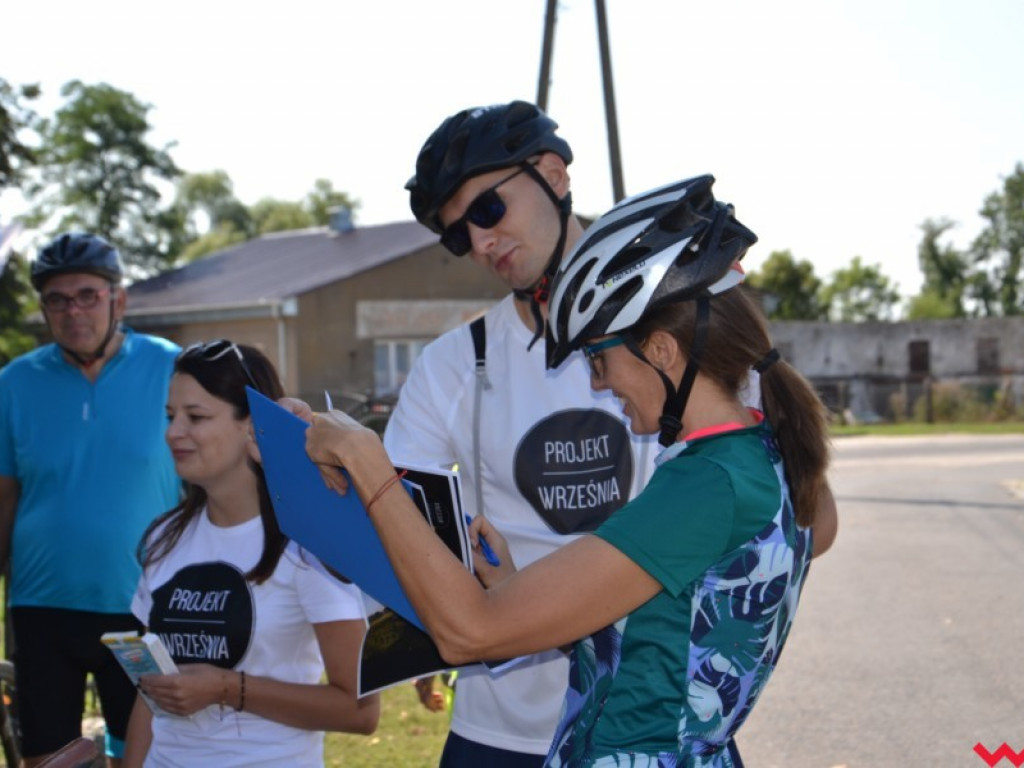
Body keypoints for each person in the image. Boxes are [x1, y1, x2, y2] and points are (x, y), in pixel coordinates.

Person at [305, 175, 836, 766]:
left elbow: (469, 632)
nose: (596, 382)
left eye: (598, 357)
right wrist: (512, 586)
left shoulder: (706, 486)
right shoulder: (754, 453)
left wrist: (367, 463)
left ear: (660, 350)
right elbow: (656, 634)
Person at [387, 100, 659, 765]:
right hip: (501, 731)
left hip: (650, 720)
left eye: (488, 210)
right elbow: (394, 518)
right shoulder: (454, 362)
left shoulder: (676, 327)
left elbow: (781, 507)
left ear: (553, 175)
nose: (480, 243)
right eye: (459, 235)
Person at [122, 340, 379, 768]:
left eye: (196, 417)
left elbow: (361, 710)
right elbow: (150, 694)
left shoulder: (306, 545)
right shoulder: (166, 538)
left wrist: (227, 688)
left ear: (252, 425)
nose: (173, 432)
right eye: (171, 416)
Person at [0, 233, 181, 767]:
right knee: (48, 757)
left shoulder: (173, 368)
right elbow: (5, 495)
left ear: (117, 300)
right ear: (43, 308)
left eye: (87, 295)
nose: (73, 310)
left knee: (147, 755)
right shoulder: (13, 383)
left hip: (143, 604)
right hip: (41, 606)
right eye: (57, 299)